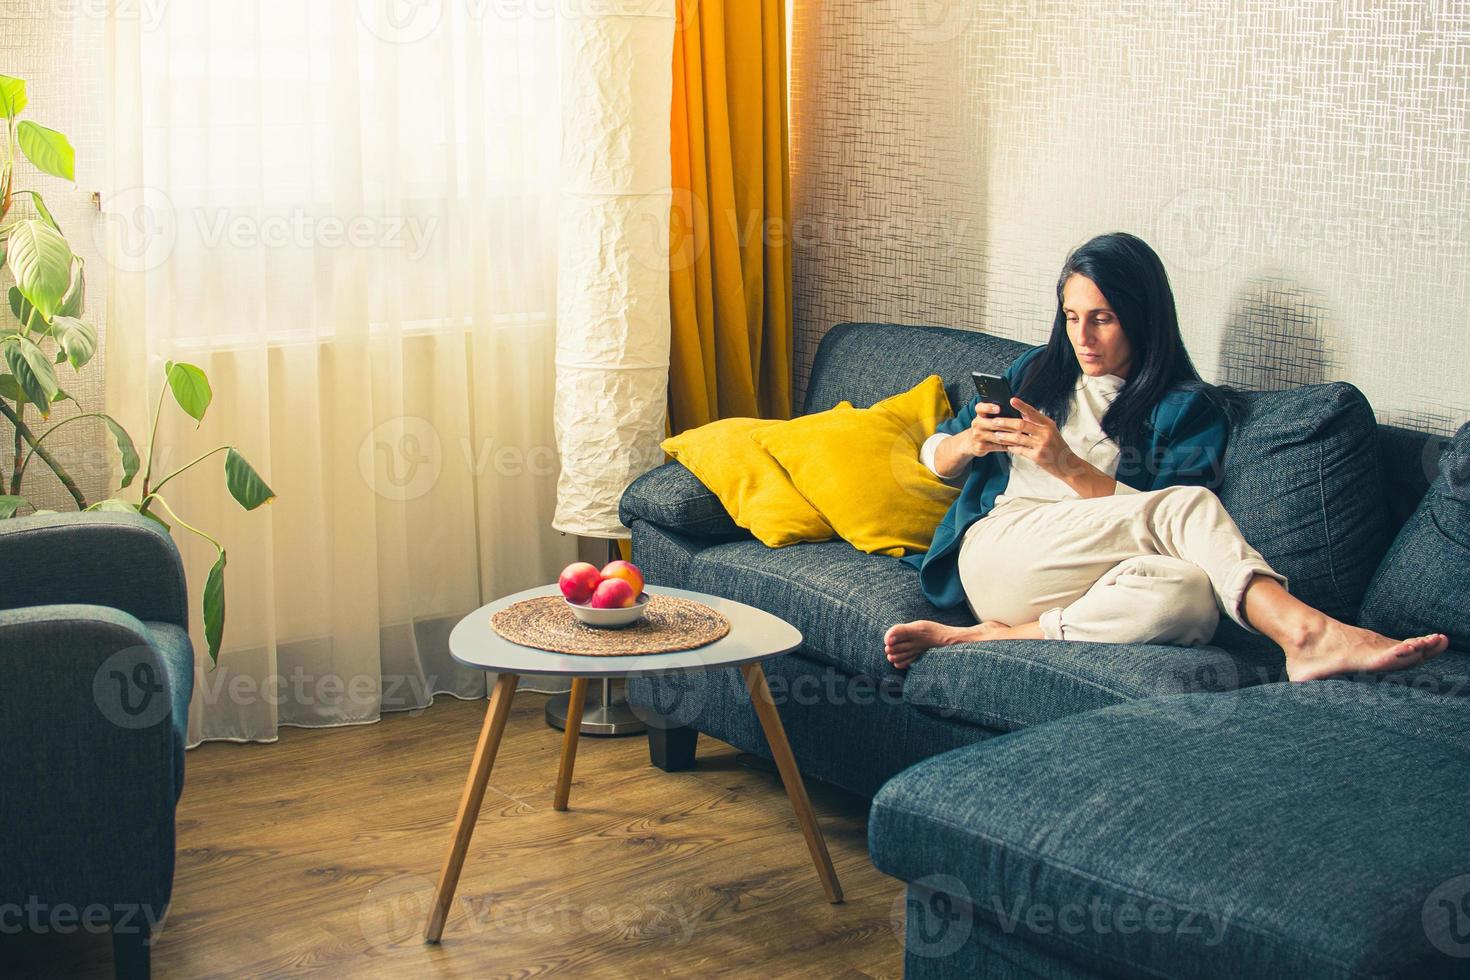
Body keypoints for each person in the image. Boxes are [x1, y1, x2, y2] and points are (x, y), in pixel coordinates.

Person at [884, 232, 1448, 682]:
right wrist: (966, 444)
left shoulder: (1188, 409)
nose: (1084, 337)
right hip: (1001, 552)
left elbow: (1158, 529)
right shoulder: (1035, 371)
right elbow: (935, 455)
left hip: (1090, 581)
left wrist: (1067, 465)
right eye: (1072, 316)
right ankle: (1304, 633)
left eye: (1102, 318)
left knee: (1190, 597)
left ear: (1142, 316)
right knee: (1188, 506)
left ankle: (992, 637)